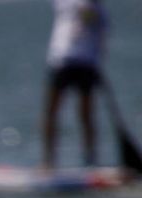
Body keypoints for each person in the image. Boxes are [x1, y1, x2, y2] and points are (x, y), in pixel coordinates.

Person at [41, 0, 109, 168]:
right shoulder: (66, 3)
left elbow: (100, 43)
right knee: (51, 112)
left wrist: (97, 65)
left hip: (86, 64)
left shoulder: (100, 12)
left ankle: (91, 161)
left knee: (86, 115)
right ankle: (48, 162)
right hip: (62, 61)